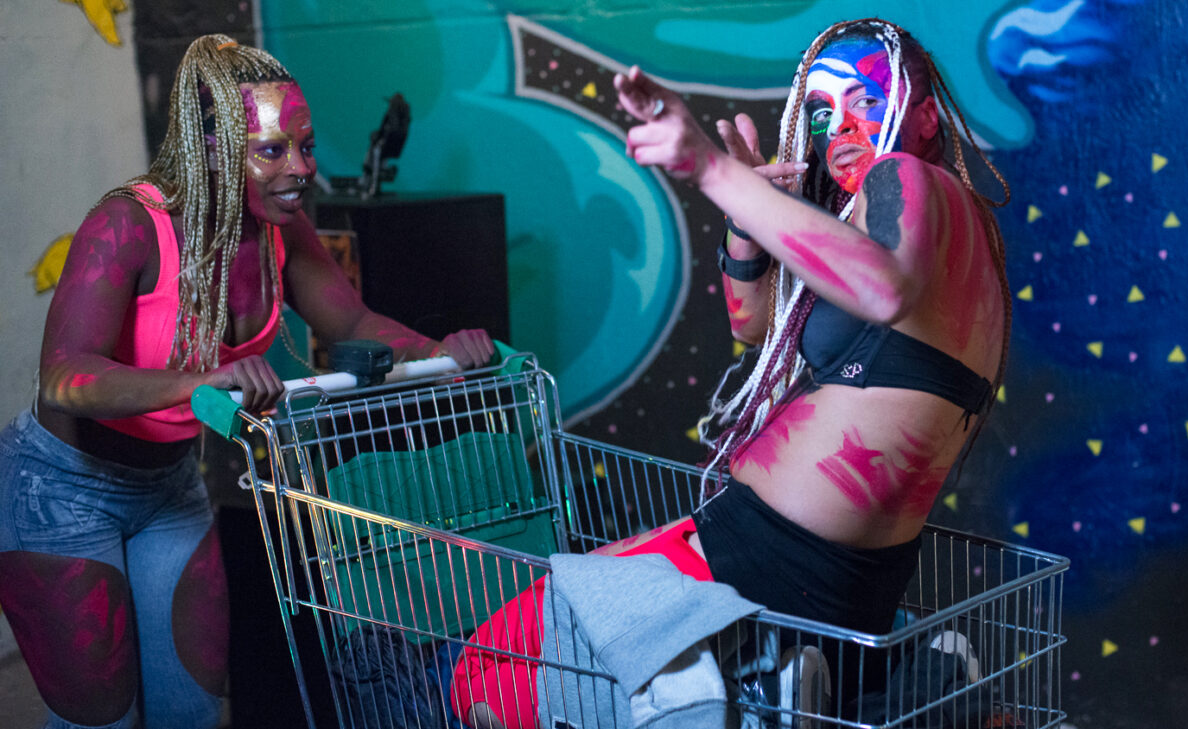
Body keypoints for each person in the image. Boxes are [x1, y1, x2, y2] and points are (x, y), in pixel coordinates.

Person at [452, 16, 1011, 728]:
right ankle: (908, 688)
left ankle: (730, 700)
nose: (838, 126)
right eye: (820, 111)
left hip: (763, 556)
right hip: (847, 581)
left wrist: (712, 172)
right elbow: (751, 325)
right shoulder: (952, 233)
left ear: (926, 117)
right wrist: (746, 216)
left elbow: (881, 288)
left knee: (485, 669)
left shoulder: (905, 178)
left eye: (865, 101)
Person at [0, 34, 495, 729]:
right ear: (211, 149)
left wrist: (442, 350)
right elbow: (63, 378)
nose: (301, 169)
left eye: (307, 147)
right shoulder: (129, 224)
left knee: (194, 709)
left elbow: (351, 319)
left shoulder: (279, 230)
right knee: (103, 718)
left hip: (170, 485)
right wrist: (202, 380)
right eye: (272, 150)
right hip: (61, 488)